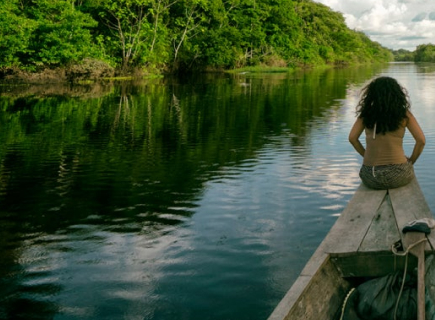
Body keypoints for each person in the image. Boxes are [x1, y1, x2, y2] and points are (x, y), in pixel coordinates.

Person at [348, 76, 425, 190]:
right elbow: (421, 141)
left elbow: (352, 138)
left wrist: (366, 155)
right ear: (397, 94)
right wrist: (411, 161)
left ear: (372, 94)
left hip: (371, 176)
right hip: (399, 175)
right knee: (409, 171)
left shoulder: (366, 114)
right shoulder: (404, 114)